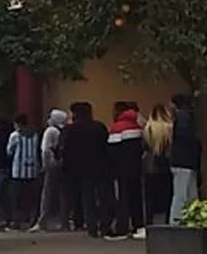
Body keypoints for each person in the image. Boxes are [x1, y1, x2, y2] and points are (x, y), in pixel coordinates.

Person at [60, 102, 110, 238]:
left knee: (87, 199)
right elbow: (106, 146)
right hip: (100, 166)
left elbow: (64, 149)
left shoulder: (70, 129)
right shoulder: (99, 127)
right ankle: (105, 225)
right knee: (103, 196)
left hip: (80, 169)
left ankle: (91, 226)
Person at [107, 103, 146, 239]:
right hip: (136, 167)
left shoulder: (117, 128)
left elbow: (112, 152)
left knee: (123, 198)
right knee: (137, 197)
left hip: (121, 170)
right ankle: (139, 225)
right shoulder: (138, 125)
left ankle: (122, 228)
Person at [168, 95, 201, 226]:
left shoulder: (180, 118)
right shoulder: (189, 118)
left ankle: (176, 221)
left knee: (181, 194)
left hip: (180, 160)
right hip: (189, 160)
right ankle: (192, 217)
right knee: (190, 193)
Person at [7, 113, 42, 230]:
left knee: (16, 198)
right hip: (33, 171)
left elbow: (9, 151)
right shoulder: (35, 135)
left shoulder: (15, 136)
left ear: (17, 124)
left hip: (18, 172)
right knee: (32, 198)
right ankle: (32, 220)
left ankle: (17, 222)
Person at [36, 109, 68, 232]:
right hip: (62, 164)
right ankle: (64, 222)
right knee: (63, 193)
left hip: (51, 164)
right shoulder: (64, 130)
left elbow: (45, 149)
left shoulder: (50, 131)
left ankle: (42, 221)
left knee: (47, 193)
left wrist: (45, 164)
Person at [144, 104, 174, 225]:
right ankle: (167, 219)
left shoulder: (148, 128)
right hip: (165, 164)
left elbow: (144, 146)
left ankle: (149, 220)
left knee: (149, 195)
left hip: (150, 165)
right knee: (167, 194)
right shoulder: (169, 128)